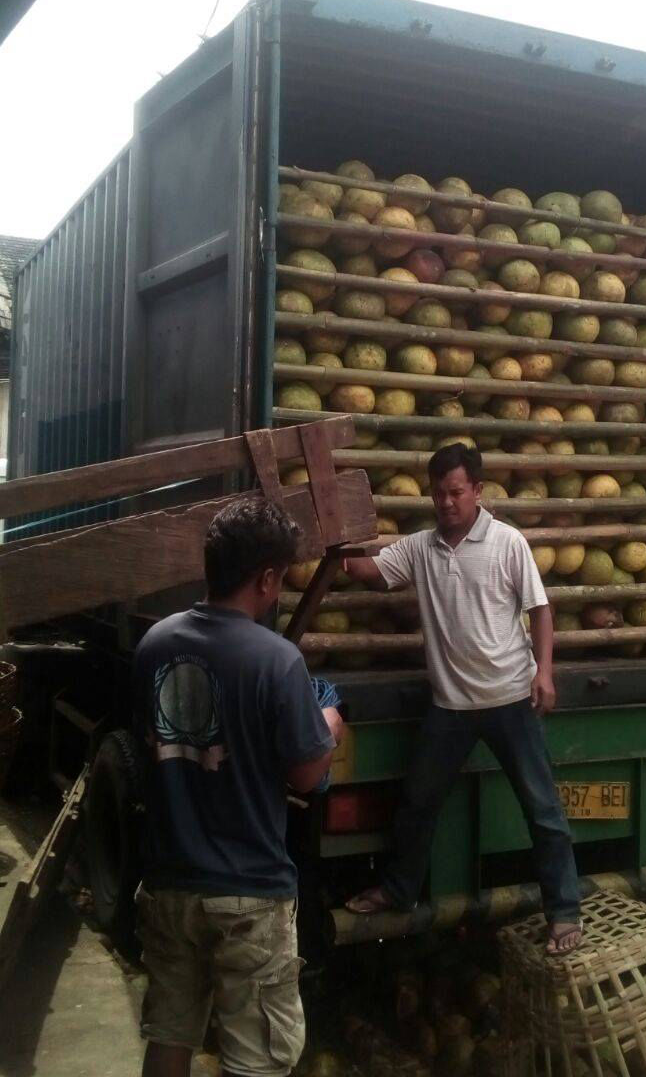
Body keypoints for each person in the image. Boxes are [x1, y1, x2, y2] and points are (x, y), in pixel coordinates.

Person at [133, 497, 345, 1077]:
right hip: (248, 891)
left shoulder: (154, 644)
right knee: (256, 1057)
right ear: (267, 577)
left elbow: (156, 747)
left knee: (170, 1032)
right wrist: (328, 726)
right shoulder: (276, 660)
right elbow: (306, 774)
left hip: (170, 882)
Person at [343, 443, 582, 954]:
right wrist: (335, 551)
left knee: (542, 810)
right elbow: (370, 572)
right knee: (416, 803)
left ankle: (563, 912)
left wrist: (545, 673)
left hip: (510, 699)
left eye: (456, 492)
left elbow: (540, 610)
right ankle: (399, 890)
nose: (447, 502)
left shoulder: (507, 543)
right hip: (450, 706)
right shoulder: (419, 548)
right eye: (439, 493)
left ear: (477, 491)